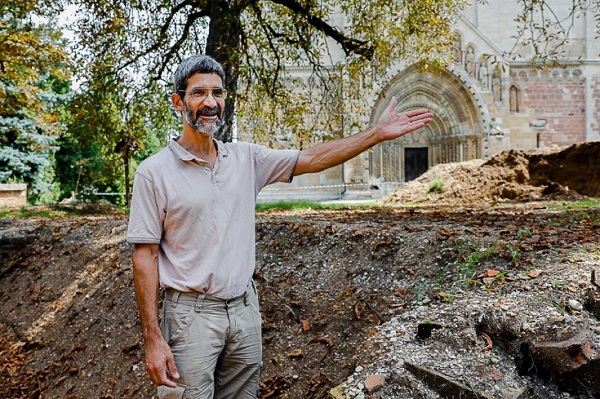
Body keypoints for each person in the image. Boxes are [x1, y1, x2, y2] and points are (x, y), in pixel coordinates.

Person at [126, 54, 432, 399]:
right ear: (179, 101)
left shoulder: (245, 159)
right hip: (190, 317)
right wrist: (153, 338)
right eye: (199, 93)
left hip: (244, 311)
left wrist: (375, 134)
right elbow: (145, 255)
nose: (211, 102)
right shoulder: (154, 172)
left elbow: (313, 158)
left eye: (218, 93)